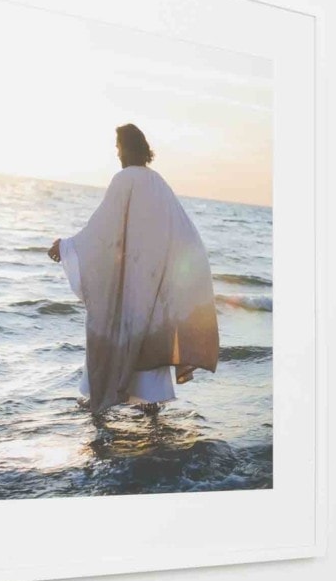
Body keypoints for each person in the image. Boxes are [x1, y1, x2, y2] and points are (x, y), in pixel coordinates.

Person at [49, 125, 219, 418]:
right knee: (148, 334)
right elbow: (181, 231)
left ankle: (99, 402)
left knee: (112, 329)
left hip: (130, 280)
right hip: (151, 280)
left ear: (126, 148)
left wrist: (65, 247)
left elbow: (102, 230)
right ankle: (151, 405)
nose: (116, 152)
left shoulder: (124, 179)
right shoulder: (158, 182)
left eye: (118, 146)